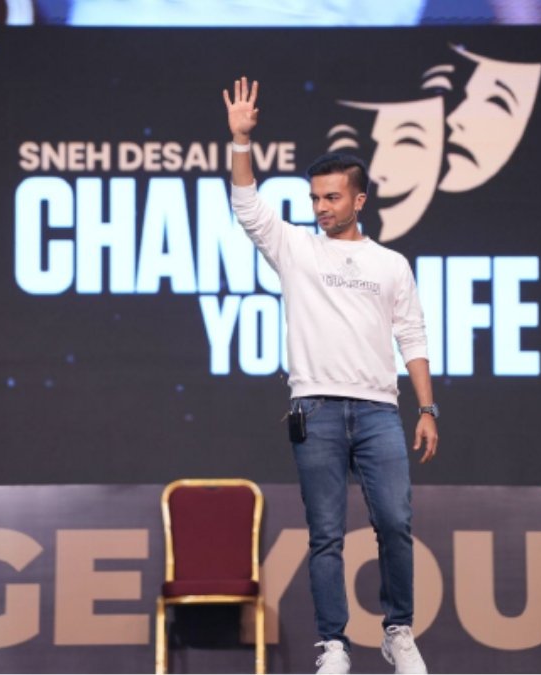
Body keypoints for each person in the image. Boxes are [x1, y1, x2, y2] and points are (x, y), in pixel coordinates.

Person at [223, 76, 438, 675]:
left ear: (359, 200)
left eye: (333, 198)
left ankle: (397, 632)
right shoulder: (296, 249)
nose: (321, 208)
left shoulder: (391, 265)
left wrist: (427, 408)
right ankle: (333, 645)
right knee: (325, 534)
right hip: (314, 410)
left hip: (378, 412)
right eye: (316, 198)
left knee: (395, 523)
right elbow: (246, 206)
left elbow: (413, 337)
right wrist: (241, 141)